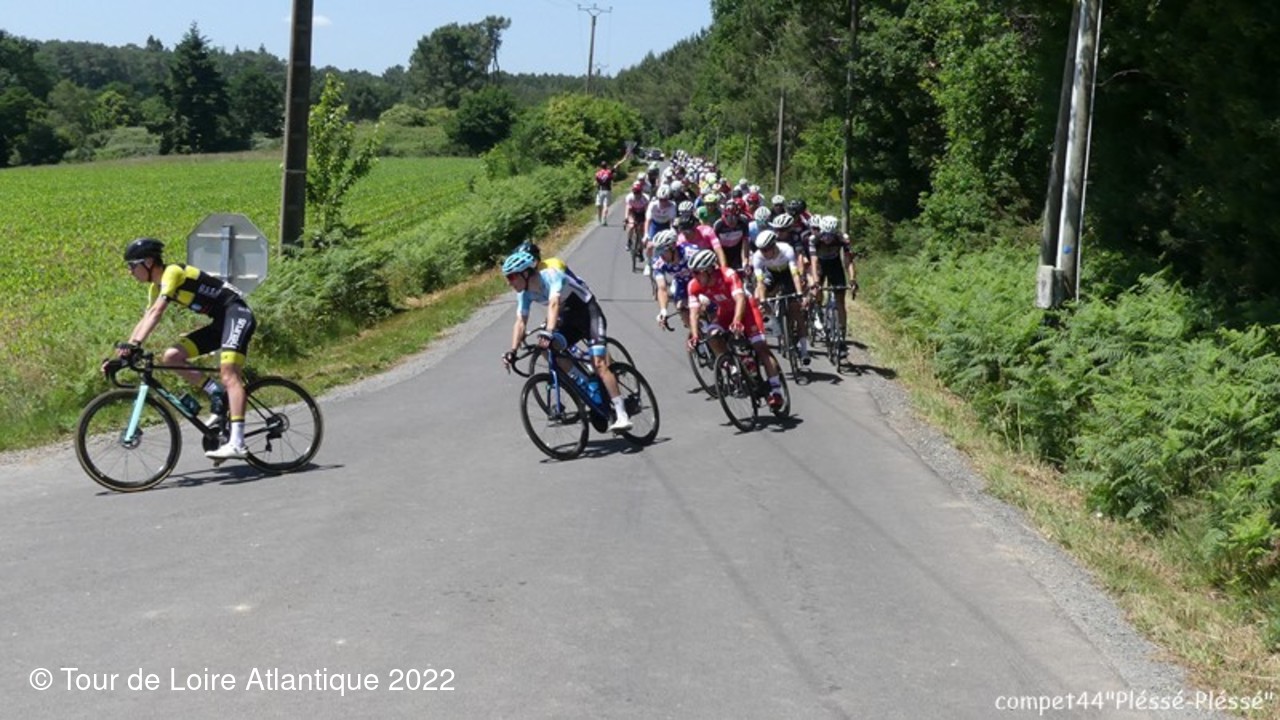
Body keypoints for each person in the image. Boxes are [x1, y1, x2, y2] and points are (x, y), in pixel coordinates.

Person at [115, 237, 255, 460]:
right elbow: (146, 317)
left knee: (229, 374)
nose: (130, 271)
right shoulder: (155, 287)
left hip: (237, 313)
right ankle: (216, 392)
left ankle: (238, 443)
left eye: (132, 265)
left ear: (149, 262)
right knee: (172, 357)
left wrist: (136, 344)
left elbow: (157, 312)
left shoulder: (172, 272)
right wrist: (126, 349)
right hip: (220, 322)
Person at [500, 250, 633, 433]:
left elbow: (554, 304)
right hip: (569, 319)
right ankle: (586, 384)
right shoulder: (524, 294)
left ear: (525, 273)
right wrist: (513, 351)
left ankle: (621, 414)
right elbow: (520, 321)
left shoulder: (552, 276)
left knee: (599, 364)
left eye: (512, 277)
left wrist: (549, 332)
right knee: (545, 349)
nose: (509, 282)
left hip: (589, 314)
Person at [685, 249, 786, 410]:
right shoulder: (693, 285)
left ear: (709, 270)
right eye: (693, 273)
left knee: (761, 348)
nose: (694, 276)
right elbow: (694, 312)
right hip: (725, 313)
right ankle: (732, 367)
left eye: (697, 272)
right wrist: (695, 336)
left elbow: (740, 299)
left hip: (747, 310)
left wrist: (737, 321)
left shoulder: (728, 275)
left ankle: (776, 390)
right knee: (712, 335)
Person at [750, 229, 811, 366]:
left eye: (766, 250)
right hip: (772, 275)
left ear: (774, 246)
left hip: (788, 274)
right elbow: (760, 281)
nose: (764, 253)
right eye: (761, 250)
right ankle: (773, 320)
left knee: (796, 311)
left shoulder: (786, 249)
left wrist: (799, 294)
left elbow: (795, 274)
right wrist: (763, 301)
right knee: (758, 295)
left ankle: (804, 349)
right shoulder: (758, 256)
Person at [808, 215, 859, 358]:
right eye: (825, 235)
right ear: (821, 231)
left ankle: (841, 338)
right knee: (817, 290)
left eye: (831, 235)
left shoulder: (843, 238)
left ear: (835, 232)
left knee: (840, 301)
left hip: (835, 265)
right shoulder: (814, 239)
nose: (828, 239)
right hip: (820, 265)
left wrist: (852, 280)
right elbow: (814, 262)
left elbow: (848, 261)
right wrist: (816, 282)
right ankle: (818, 311)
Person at [594, 154, 628, 226]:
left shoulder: (597, 174)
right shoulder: (609, 172)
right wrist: (624, 159)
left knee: (599, 206)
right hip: (608, 190)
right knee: (606, 206)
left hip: (600, 191)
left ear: (600, 166)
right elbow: (617, 165)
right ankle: (604, 219)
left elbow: (595, 183)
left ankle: (599, 220)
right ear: (606, 166)